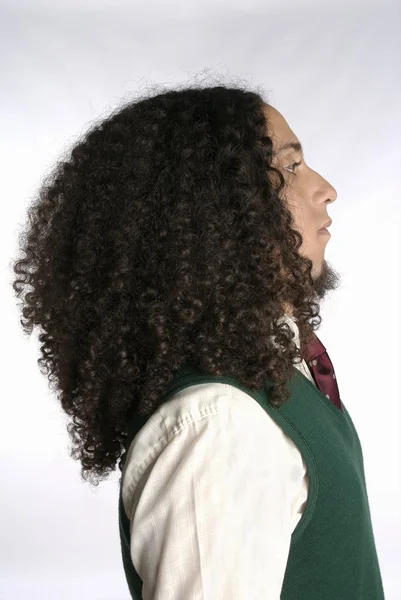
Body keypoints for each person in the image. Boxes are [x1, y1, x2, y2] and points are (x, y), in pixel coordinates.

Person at [11, 84, 385, 599]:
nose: (325, 189)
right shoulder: (218, 422)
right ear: (214, 210)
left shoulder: (266, 383)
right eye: (290, 167)